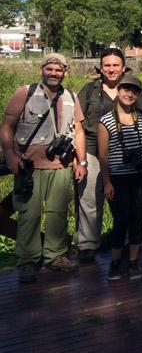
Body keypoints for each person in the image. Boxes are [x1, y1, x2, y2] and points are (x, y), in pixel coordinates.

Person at [0, 53, 87, 283]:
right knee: (29, 214)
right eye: (50, 69)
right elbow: (7, 126)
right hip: (29, 165)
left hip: (61, 165)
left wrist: (82, 161)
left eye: (59, 70)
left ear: (65, 72)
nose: (54, 73)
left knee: (58, 213)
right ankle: (27, 260)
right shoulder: (25, 93)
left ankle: (55, 255)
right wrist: (10, 156)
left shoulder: (71, 96)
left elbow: (78, 131)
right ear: (42, 69)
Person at [76, 47, 142, 263]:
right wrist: (78, 157)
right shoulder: (89, 91)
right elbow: (77, 124)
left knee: (124, 201)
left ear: (123, 67)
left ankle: (124, 239)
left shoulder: (133, 88)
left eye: (115, 65)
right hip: (92, 151)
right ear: (100, 67)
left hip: (123, 154)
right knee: (90, 200)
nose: (111, 69)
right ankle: (88, 244)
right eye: (107, 65)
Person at [98, 74, 142, 281]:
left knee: (137, 218)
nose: (129, 94)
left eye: (134, 91)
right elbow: (103, 154)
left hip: (141, 176)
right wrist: (107, 182)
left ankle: (133, 261)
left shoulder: (141, 116)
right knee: (120, 220)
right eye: (126, 90)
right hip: (118, 178)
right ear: (118, 91)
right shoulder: (106, 121)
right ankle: (116, 262)